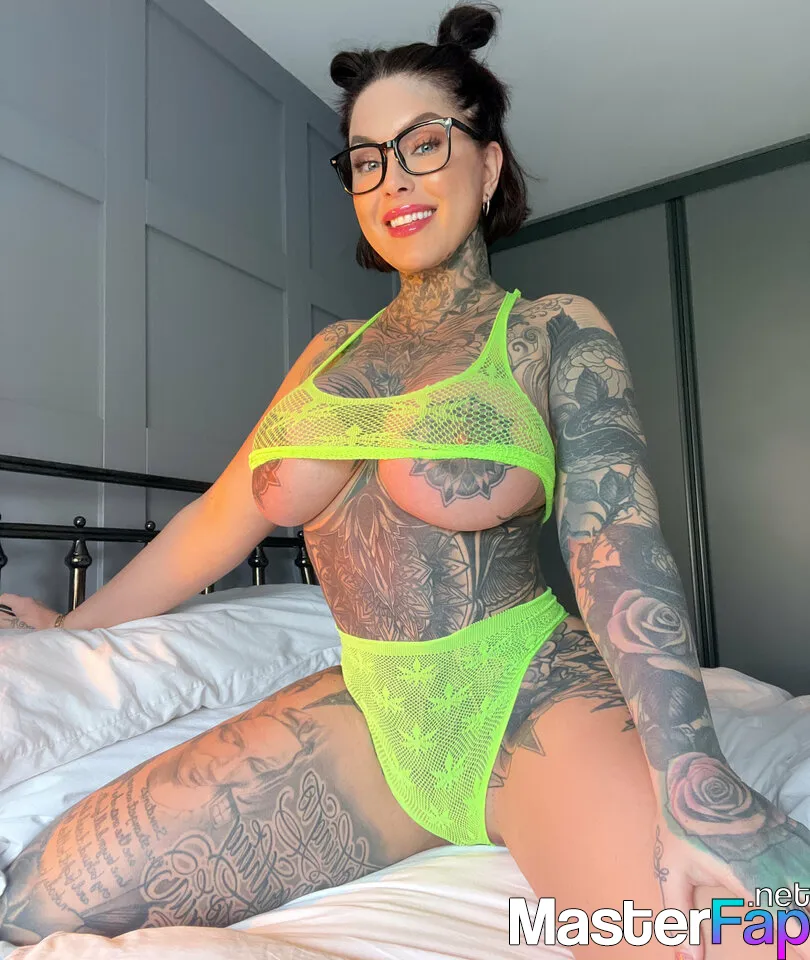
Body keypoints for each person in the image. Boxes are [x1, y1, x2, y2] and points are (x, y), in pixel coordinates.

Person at [1, 4, 809, 956]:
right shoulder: (326, 356)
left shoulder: (550, 327)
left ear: (488, 164)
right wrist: (72, 631)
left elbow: (617, 545)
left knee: (755, 932)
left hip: (530, 701)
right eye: (366, 159)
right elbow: (212, 527)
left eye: (425, 144)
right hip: (370, 713)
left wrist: (695, 780)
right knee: (39, 900)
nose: (393, 180)